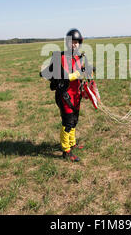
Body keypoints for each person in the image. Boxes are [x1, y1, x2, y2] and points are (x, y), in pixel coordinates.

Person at [40, 29, 94, 162]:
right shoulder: (59, 57)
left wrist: (88, 72)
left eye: (77, 42)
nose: (74, 45)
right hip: (65, 95)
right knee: (68, 122)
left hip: (76, 95)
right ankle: (66, 151)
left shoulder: (80, 57)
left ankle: (72, 143)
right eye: (72, 42)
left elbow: (85, 72)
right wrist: (73, 75)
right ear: (67, 43)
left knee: (75, 120)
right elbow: (55, 74)